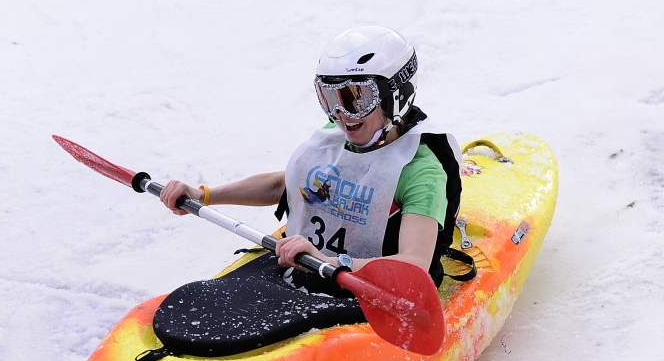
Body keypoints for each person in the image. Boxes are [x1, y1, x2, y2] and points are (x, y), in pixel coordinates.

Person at [159, 25, 463, 290]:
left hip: (366, 287)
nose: (342, 115)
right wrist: (203, 195)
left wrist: (328, 261)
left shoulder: (420, 171)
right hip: (307, 266)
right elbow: (288, 183)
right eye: (330, 99)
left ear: (395, 95)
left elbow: (414, 266)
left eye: (356, 98)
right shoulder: (337, 136)